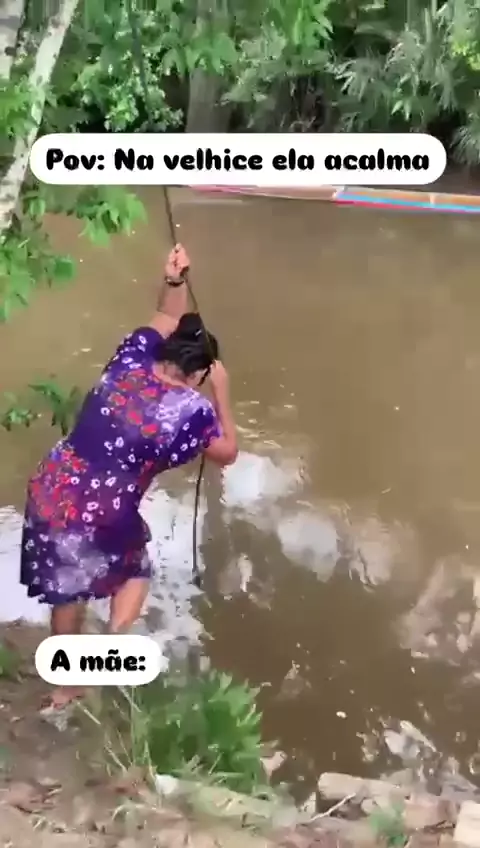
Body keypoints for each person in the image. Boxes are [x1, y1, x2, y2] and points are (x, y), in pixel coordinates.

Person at [20, 244, 238, 708]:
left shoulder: (134, 354)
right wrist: (222, 392)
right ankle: (110, 649)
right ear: (198, 373)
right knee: (134, 570)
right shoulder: (191, 411)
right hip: (103, 508)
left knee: (68, 586)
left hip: (53, 485)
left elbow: (166, 314)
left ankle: (66, 685)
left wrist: (174, 279)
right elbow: (228, 453)